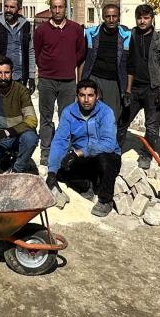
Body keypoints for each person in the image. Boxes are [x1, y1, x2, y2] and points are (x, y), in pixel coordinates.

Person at [46, 79, 120, 217]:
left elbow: (108, 144)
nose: (86, 100)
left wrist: (79, 153)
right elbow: (60, 141)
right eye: (82, 95)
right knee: (61, 170)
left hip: (105, 155)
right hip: (83, 158)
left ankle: (105, 200)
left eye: (90, 95)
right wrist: (51, 172)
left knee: (105, 160)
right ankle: (87, 185)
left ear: (97, 96)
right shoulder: (69, 112)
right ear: (77, 96)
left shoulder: (106, 112)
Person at [33, 0, 86, 168]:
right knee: (46, 117)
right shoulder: (41, 30)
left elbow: (80, 54)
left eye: (61, 7)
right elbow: (38, 51)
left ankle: (62, 151)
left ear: (66, 8)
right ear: (50, 9)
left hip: (68, 81)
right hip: (47, 80)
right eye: (54, 7)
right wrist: (46, 68)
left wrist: (72, 68)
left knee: (67, 118)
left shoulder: (76, 29)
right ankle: (46, 151)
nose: (57, 10)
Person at [120, 4, 160, 168]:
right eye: (139, 18)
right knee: (122, 121)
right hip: (132, 88)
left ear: (152, 18)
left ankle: (146, 154)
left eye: (146, 18)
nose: (142, 21)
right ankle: (114, 150)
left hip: (152, 88)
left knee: (152, 126)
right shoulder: (129, 36)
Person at [81, 3, 131, 126]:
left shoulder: (126, 36)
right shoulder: (91, 34)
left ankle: (107, 143)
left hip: (114, 82)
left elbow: (131, 65)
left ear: (119, 17)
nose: (111, 19)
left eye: (114, 16)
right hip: (94, 78)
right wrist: (81, 82)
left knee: (111, 117)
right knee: (89, 114)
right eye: (108, 16)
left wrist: (128, 89)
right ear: (103, 17)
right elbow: (82, 59)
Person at [0, 0, 36, 92]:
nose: (8, 10)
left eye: (12, 7)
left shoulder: (26, 26)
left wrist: (32, 77)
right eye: (6, 6)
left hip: (20, 78)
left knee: (18, 107)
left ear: (19, 9)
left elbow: (31, 52)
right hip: (0, 78)